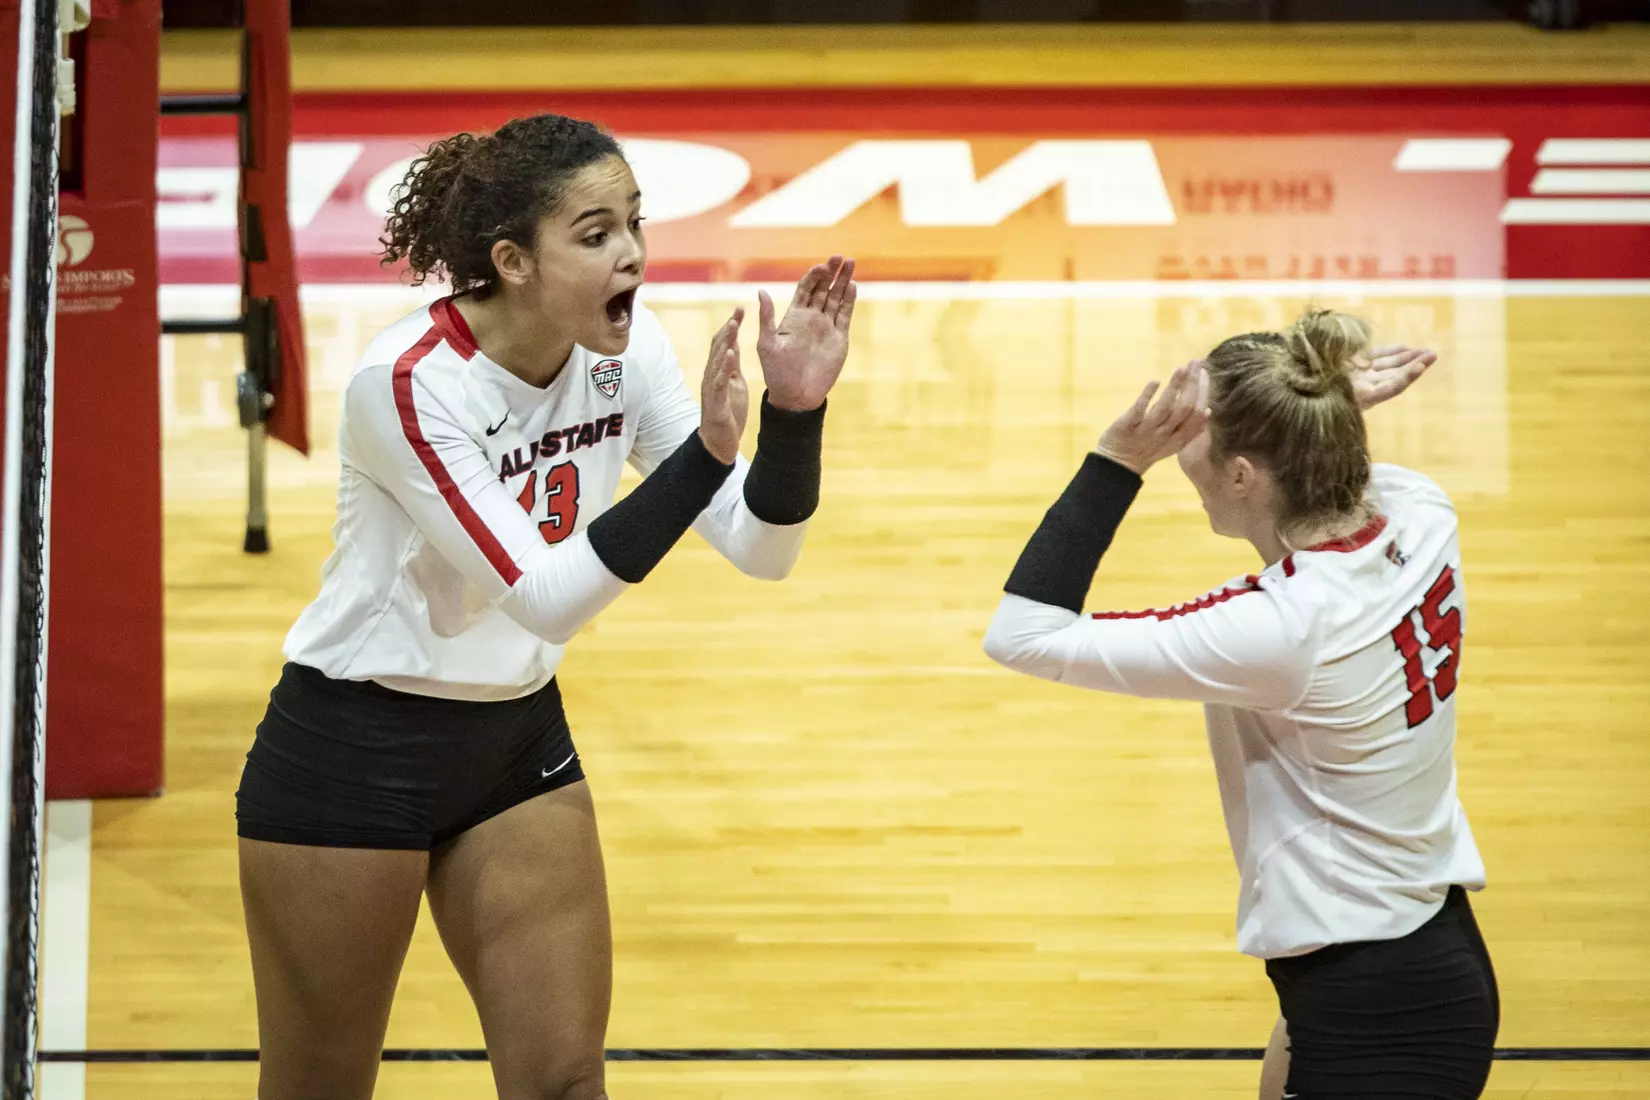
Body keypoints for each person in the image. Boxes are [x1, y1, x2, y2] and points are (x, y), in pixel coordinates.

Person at [233, 113, 857, 1100]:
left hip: (514, 744)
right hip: (353, 751)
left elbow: (759, 546)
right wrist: (703, 452)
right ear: (513, 260)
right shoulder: (405, 386)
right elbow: (545, 598)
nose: (634, 254)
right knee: (318, 1087)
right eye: (597, 232)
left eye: (635, 224)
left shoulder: (629, 349)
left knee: (566, 1082)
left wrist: (792, 417)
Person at [983, 312, 1497, 1100]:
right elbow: (1344, 467)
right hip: (1398, 950)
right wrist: (1325, 409)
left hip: (1380, 1008)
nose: (1182, 436)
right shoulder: (1421, 514)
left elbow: (1024, 633)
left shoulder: (1278, 631)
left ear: (1243, 477)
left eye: (1199, 428)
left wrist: (1119, 459)